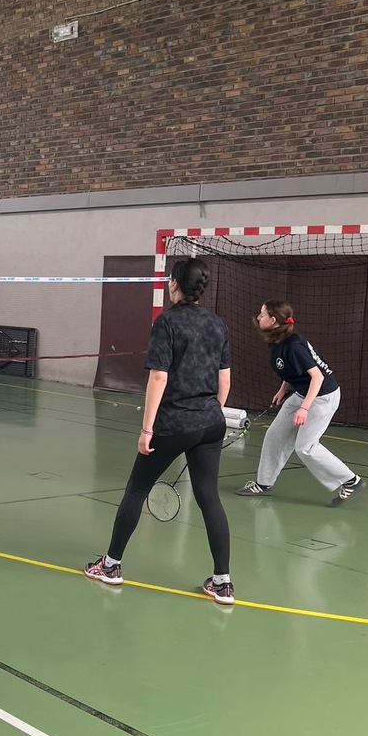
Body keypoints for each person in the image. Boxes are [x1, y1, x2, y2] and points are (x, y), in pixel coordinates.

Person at [85, 257, 236, 606]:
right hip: (211, 423)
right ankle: (223, 583)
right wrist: (209, 411)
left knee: (137, 489)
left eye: (170, 279)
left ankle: (111, 566)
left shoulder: (166, 322)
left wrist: (147, 428)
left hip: (173, 424)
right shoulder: (217, 324)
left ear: (175, 284)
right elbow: (224, 380)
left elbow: (158, 377)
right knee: (209, 498)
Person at [236, 301, 364, 505]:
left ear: (273, 320)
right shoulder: (277, 340)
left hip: (322, 397)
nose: (259, 317)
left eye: (262, 314)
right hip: (302, 393)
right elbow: (293, 370)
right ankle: (263, 484)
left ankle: (350, 481)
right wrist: (283, 389)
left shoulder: (293, 346)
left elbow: (317, 377)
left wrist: (304, 408)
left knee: (305, 447)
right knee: (275, 435)